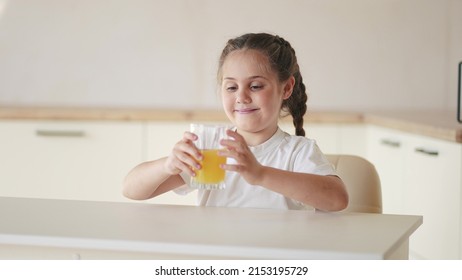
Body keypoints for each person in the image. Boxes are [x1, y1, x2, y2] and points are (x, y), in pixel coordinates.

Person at [123, 33, 348, 211]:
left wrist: (260, 174)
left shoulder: (297, 152)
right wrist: (167, 165)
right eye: (231, 87)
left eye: (256, 86)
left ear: (286, 88)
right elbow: (131, 190)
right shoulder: (211, 147)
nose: (241, 97)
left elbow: (337, 199)